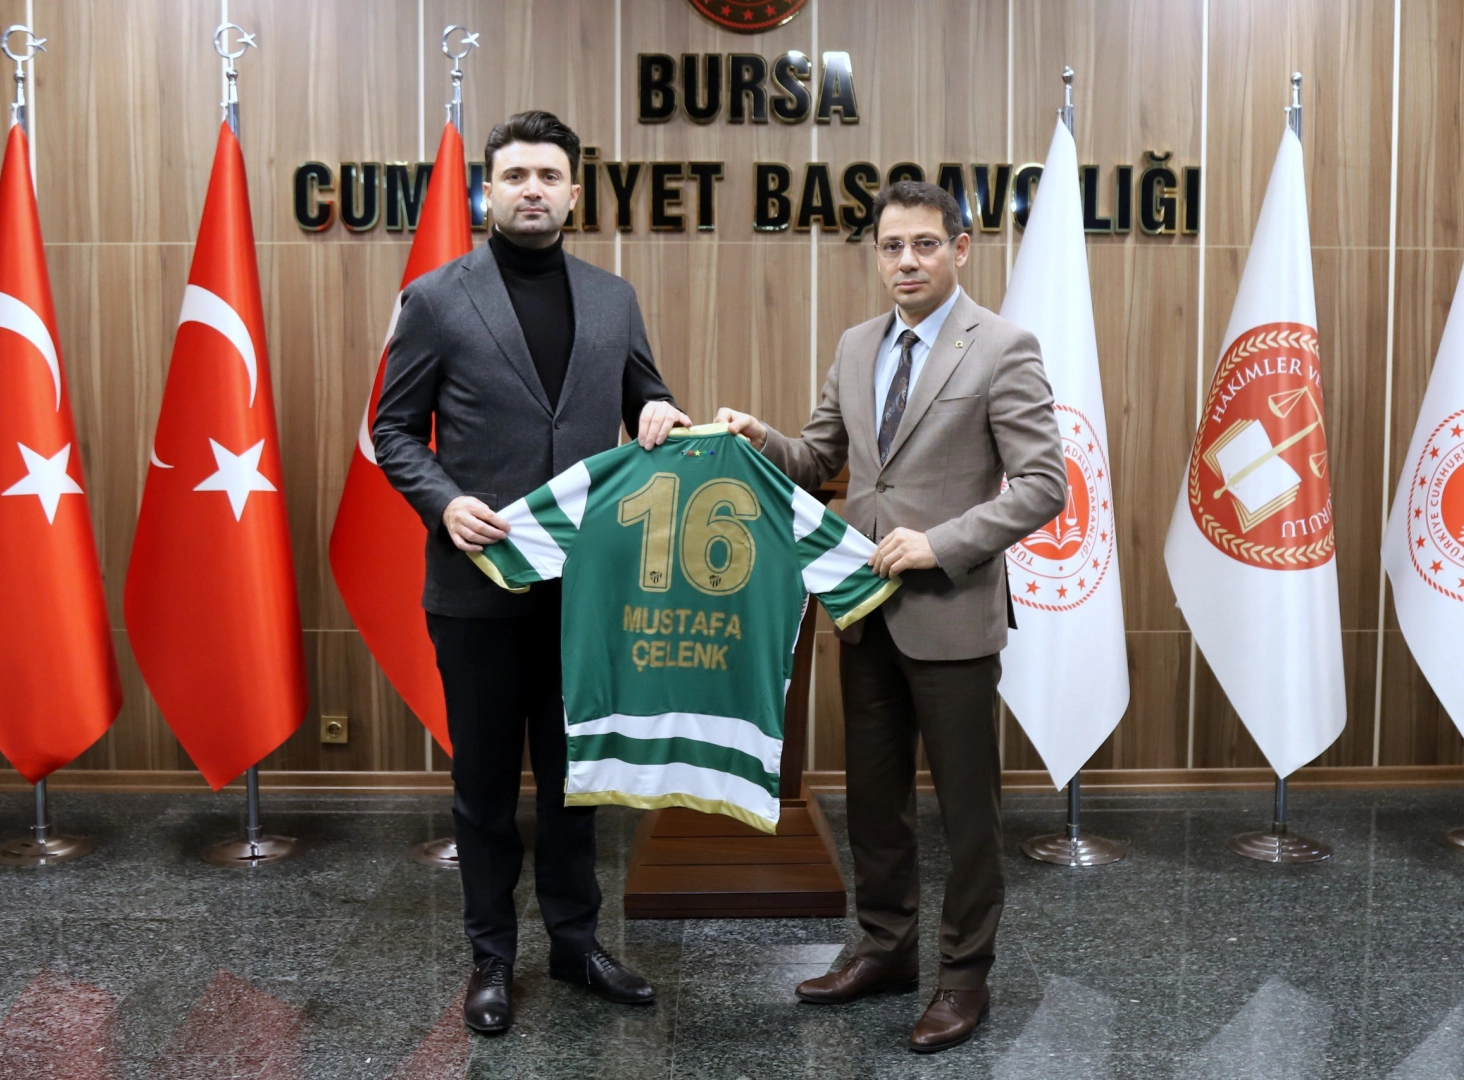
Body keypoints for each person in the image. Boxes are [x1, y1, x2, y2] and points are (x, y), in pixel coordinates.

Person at [715, 180, 1066, 1053]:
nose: (906, 261)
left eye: (924, 244)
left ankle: (964, 977)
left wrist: (938, 544)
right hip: (862, 609)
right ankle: (884, 949)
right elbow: (818, 459)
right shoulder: (856, 344)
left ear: (961, 248)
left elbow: (1042, 485)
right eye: (891, 246)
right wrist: (759, 437)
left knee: (968, 815)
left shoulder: (1003, 347)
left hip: (950, 612)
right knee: (874, 801)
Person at [374, 110, 689, 1036]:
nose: (532, 190)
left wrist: (662, 410)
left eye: (548, 176)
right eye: (515, 176)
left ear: (574, 191)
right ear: (489, 191)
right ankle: (490, 959)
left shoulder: (613, 298)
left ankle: (576, 944)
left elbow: (647, 396)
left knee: (575, 782)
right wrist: (443, 502)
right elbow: (394, 430)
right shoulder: (437, 298)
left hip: (584, 591)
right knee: (483, 789)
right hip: (475, 585)